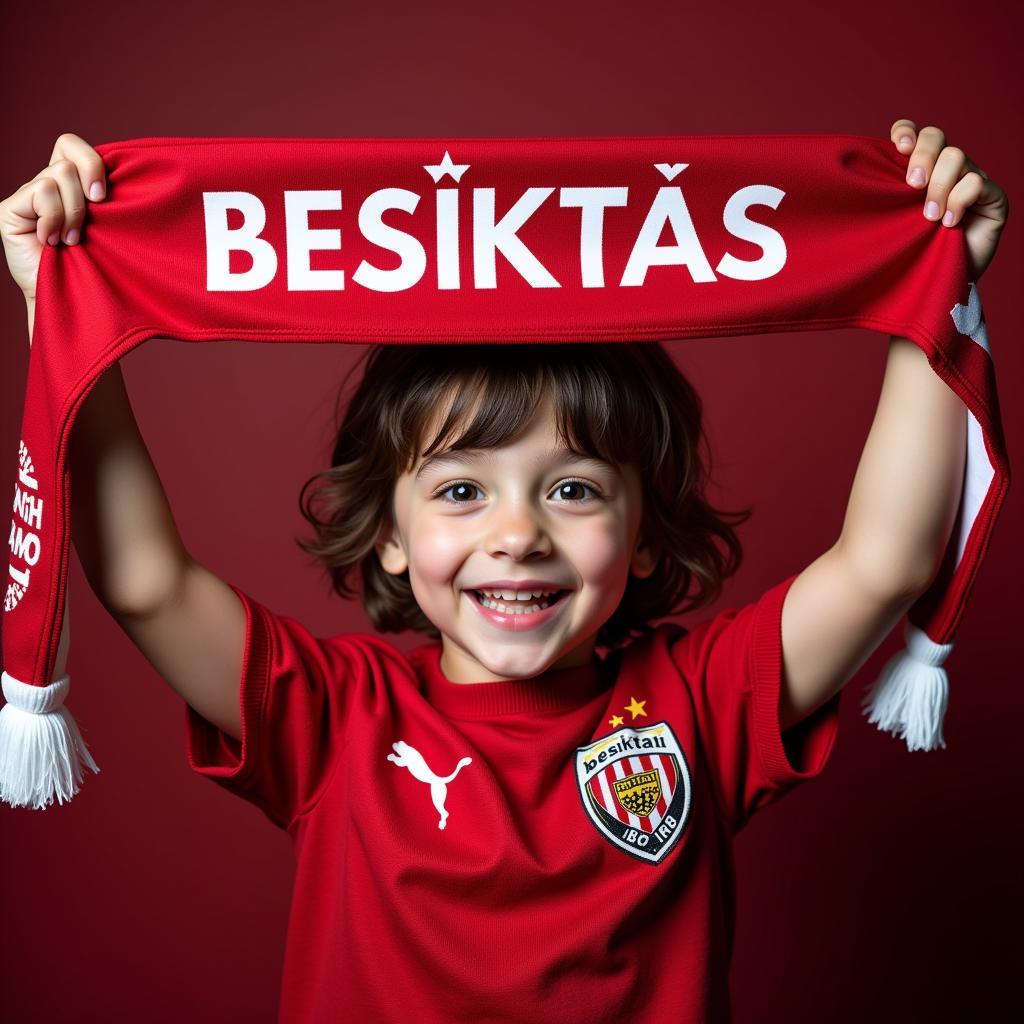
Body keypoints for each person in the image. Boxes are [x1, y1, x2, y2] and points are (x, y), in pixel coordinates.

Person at [0, 122, 1008, 1022]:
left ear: (646, 534)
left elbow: (884, 562)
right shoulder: (335, 717)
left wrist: (934, 278)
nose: (518, 532)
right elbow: (145, 579)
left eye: (572, 490)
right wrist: (64, 308)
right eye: (460, 491)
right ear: (386, 533)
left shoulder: (698, 703)